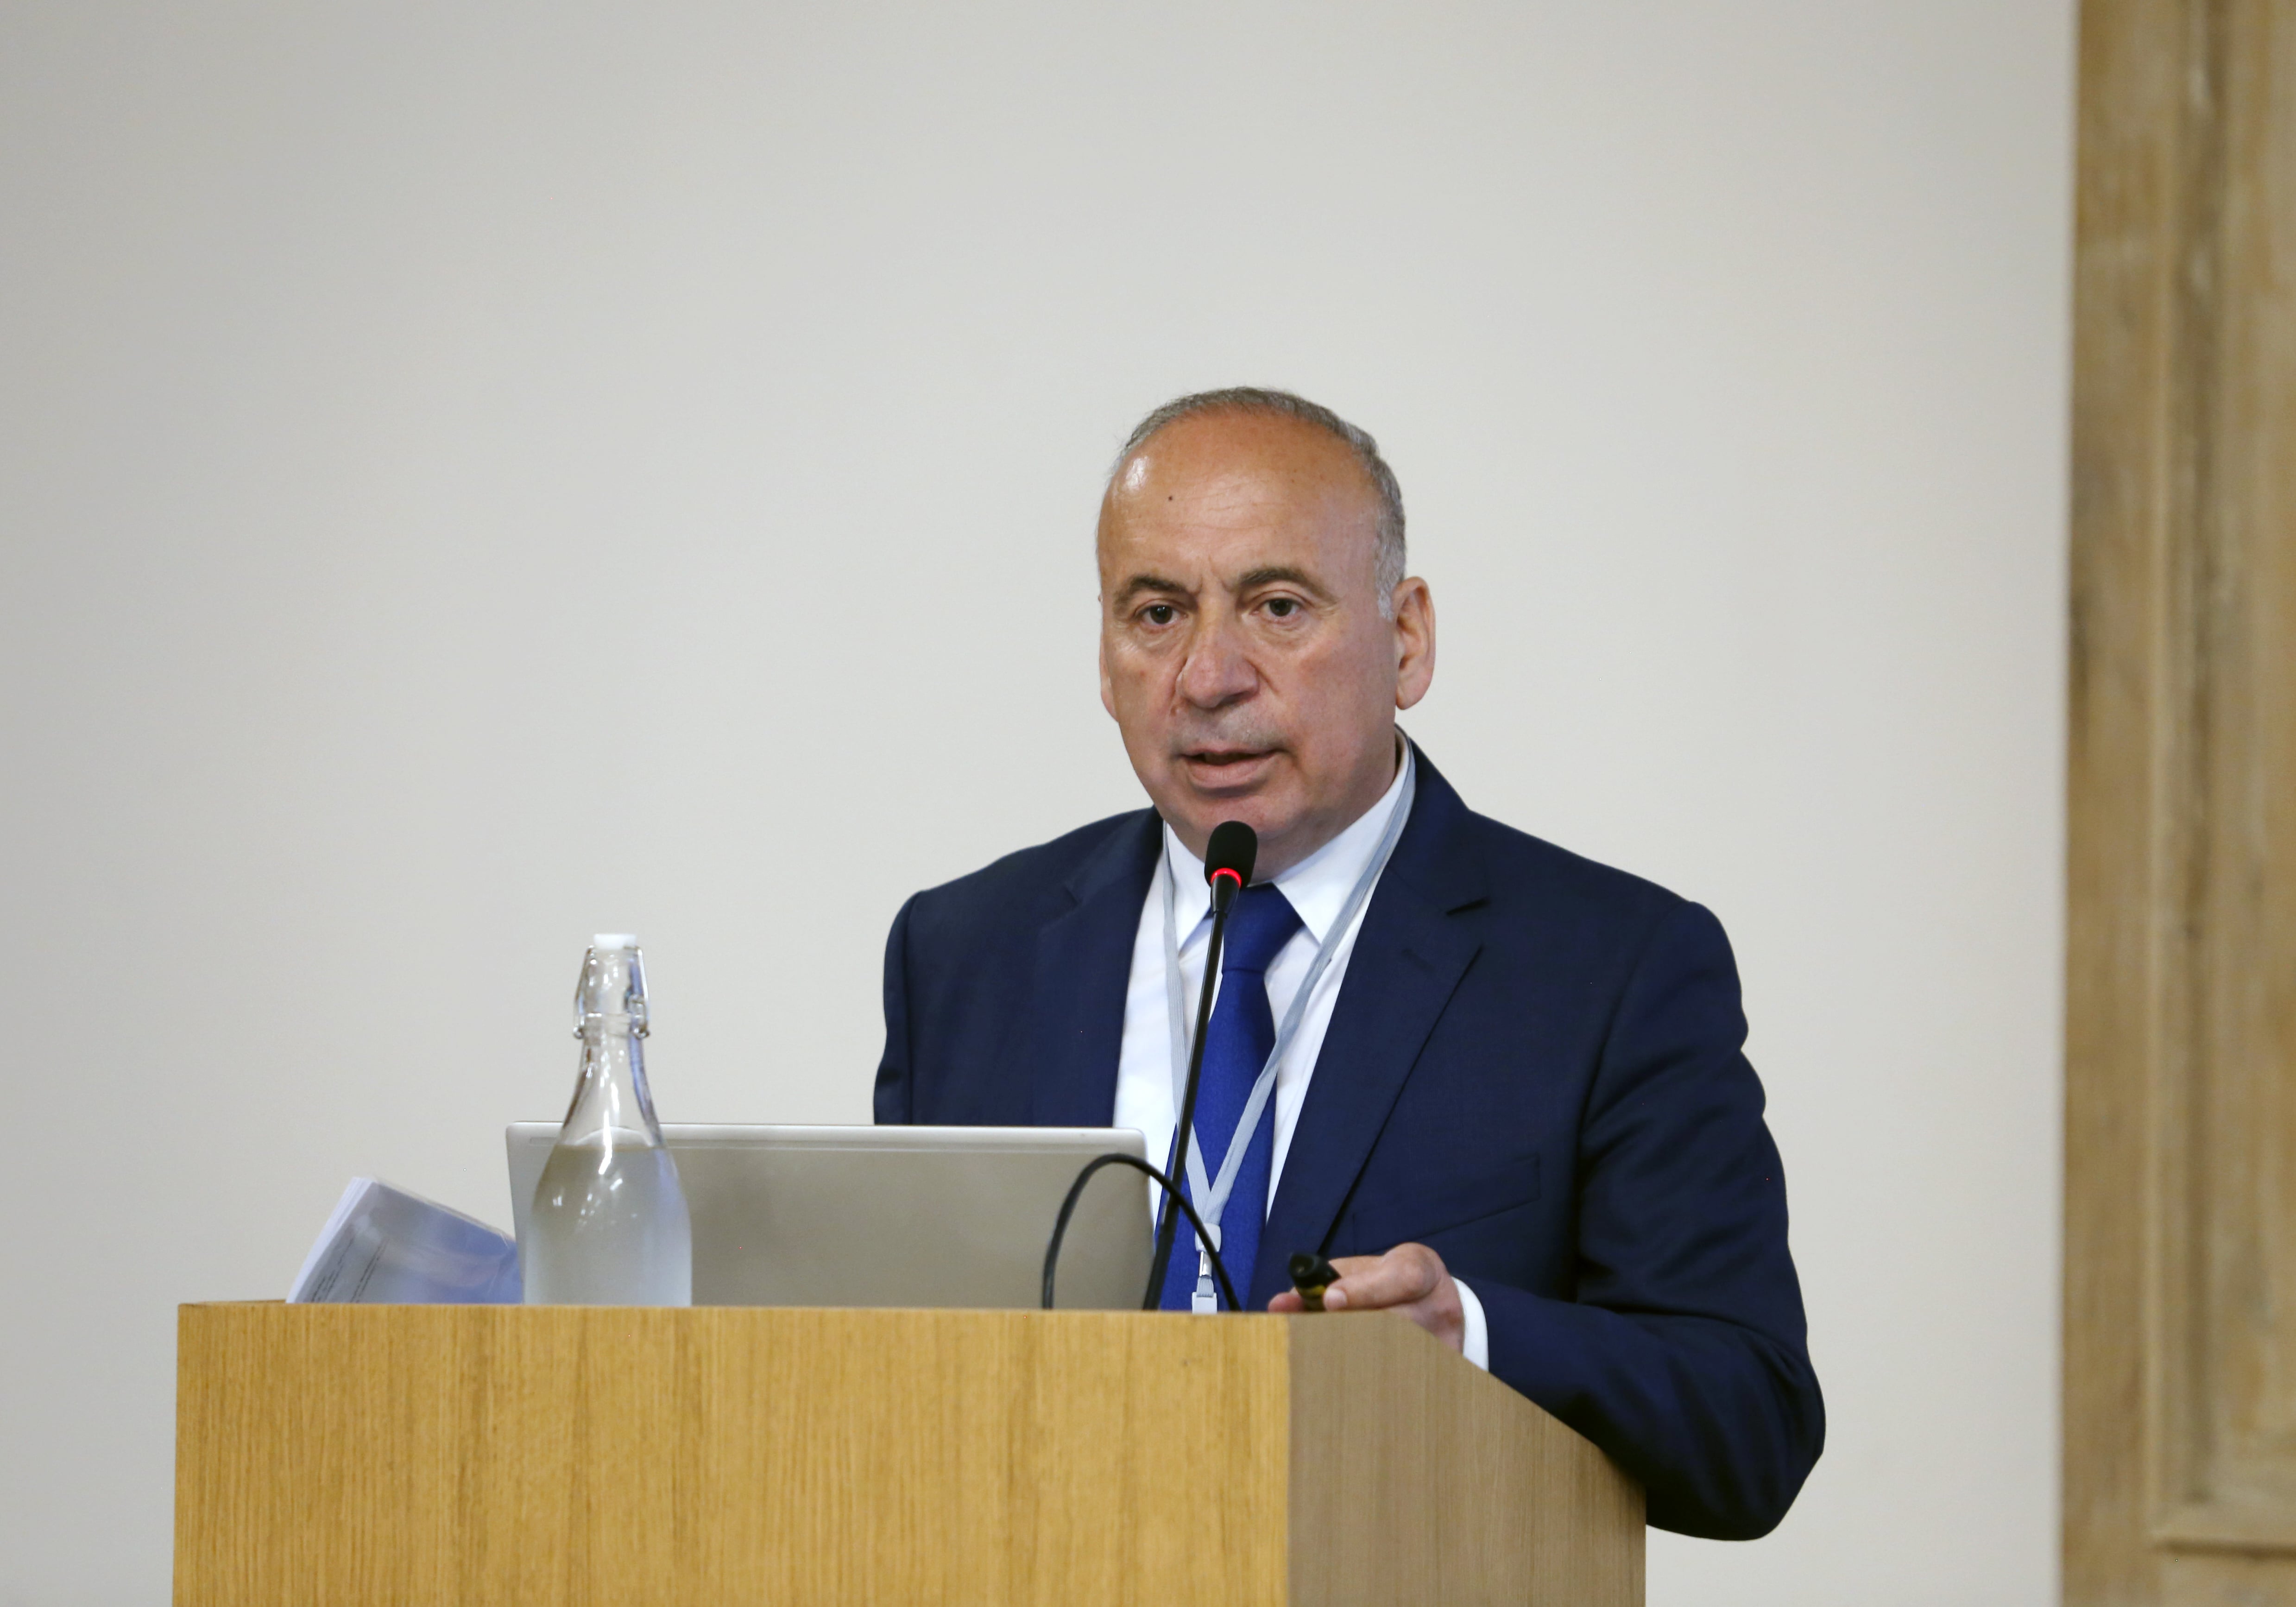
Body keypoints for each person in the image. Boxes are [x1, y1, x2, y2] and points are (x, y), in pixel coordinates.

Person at [873, 387, 1824, 1539]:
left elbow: (1750, 1423)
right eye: (1158, 614)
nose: (1208, 677)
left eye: (1277, 607)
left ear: (1406, 640)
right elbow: (892, 1384)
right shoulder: (967, 955)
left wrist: (1470, 1336)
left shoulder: (1612, 969)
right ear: (1106, 655)